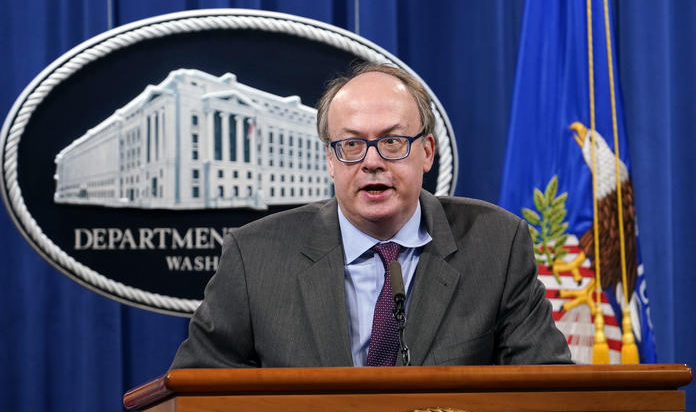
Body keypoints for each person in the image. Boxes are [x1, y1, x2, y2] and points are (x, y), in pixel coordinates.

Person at [170, 63, 572, 369]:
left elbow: (546, 391)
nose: (372, 162)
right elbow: (197, 397)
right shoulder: (255, 257)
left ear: (427, 151)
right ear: (330, 159)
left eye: (393, 141)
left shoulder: (495, 245)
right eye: (351, 145)